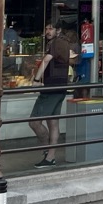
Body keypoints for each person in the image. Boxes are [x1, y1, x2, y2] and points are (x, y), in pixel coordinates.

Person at [28, 22, 70, 168]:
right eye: (46, 28)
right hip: (60, 87)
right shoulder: (65, 43)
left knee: (34, 122)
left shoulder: (56, 43)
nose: (47, 31)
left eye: (50, 28)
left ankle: (47, 150)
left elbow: (46, 60)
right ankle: (50, 157)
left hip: (51, 88)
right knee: (53, 123)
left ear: (58, 30)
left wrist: (36, 80)